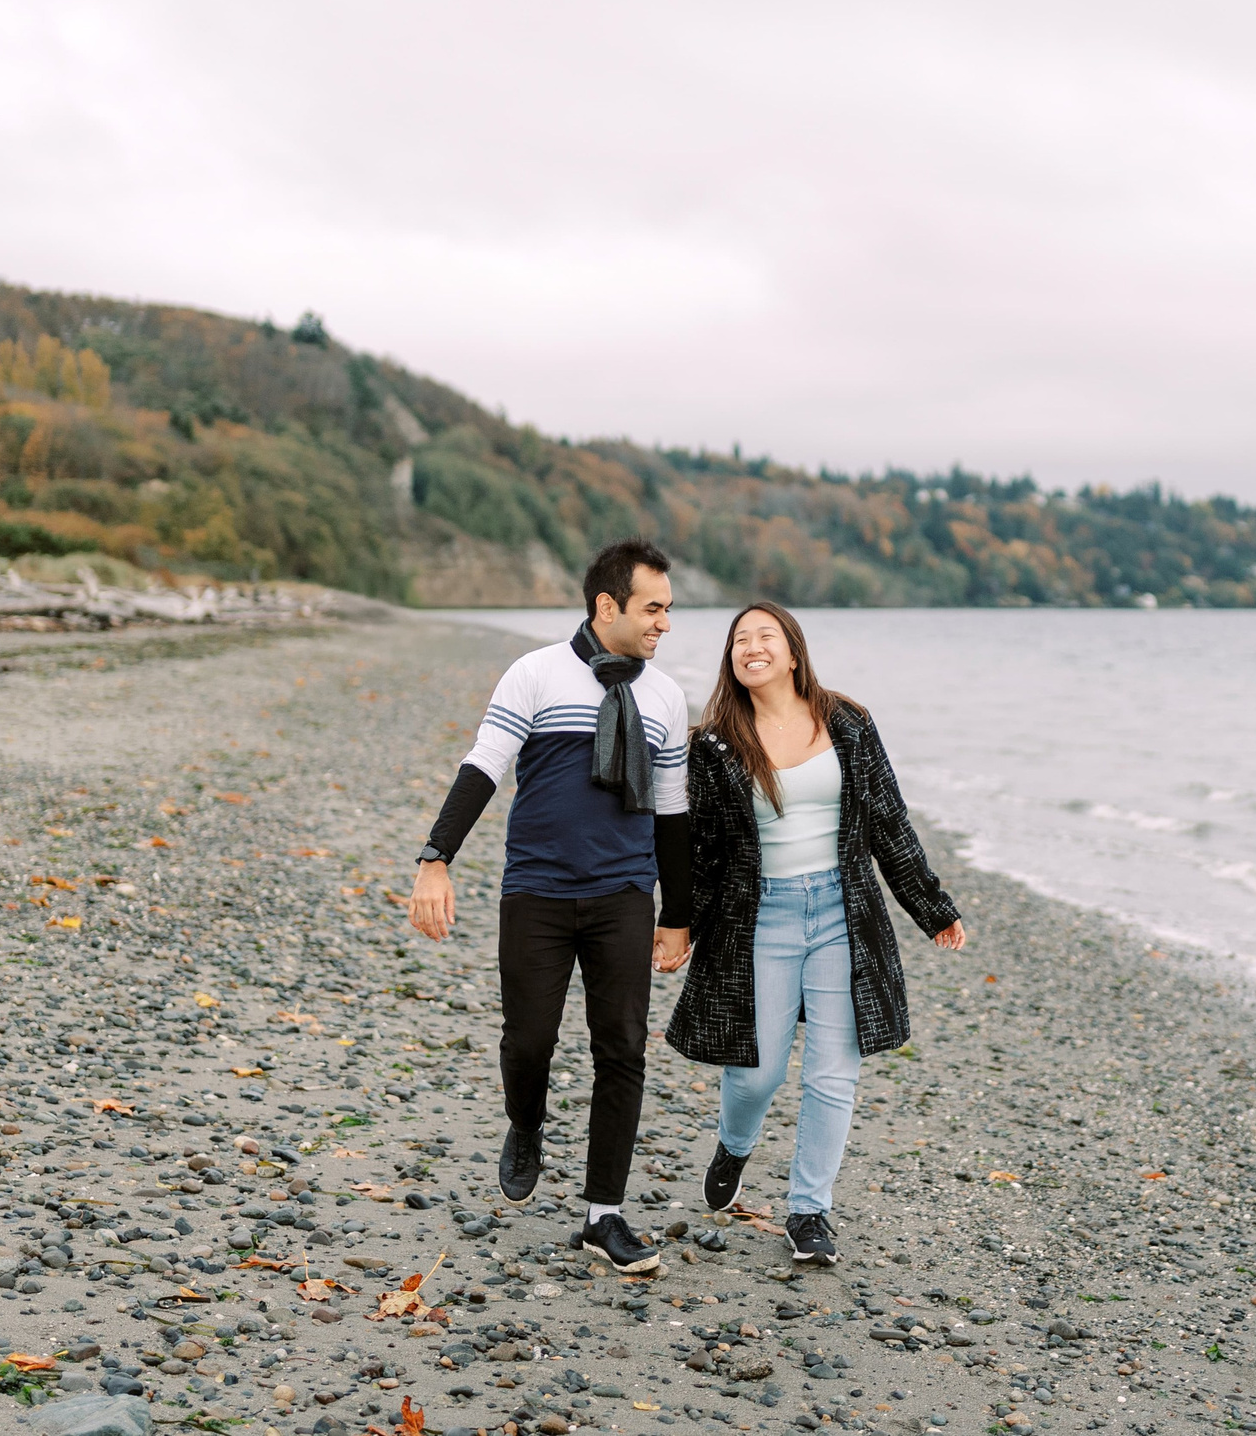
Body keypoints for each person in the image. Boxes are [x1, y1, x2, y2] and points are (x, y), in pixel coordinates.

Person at [410, 538, 693, 1274]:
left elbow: (672, 815)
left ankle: (605, 1214)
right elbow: (484, 766)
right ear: (608, 606)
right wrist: (435, 858)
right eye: (653, 607)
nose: (665, 622)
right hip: (535, 891)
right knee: (528, 1040)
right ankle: (526, 1124)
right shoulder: (535, 673)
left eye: (668, 608)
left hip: (624, 896)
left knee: (621, 1049)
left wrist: (678, 912)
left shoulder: (664, 696)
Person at [665, 602, 968, 1267]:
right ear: (732, 660)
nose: (752, 646)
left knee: (833, 1074)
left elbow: (888, 818)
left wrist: (932, 905)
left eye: (765, 635)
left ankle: (810, 1212)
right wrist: (677, 924)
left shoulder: (847, 721)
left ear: (793, 651)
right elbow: (702, 849)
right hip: (759, 916)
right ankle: (734, 1145)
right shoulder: (714, 744)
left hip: (840, 912)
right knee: (757, 1071)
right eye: (740, 639)